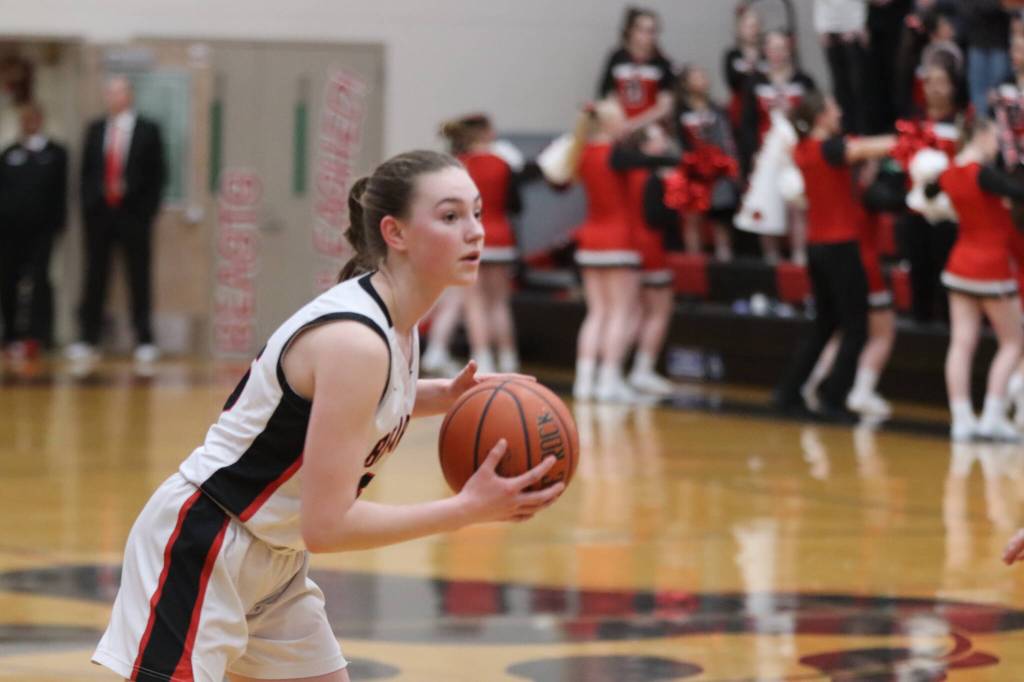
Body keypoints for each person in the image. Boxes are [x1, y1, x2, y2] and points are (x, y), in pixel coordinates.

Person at [91, 150, 565, 682]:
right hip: (204, 545)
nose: (476, 232)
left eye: (477, 213)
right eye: (451, 216)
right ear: (396, 232)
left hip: (275, 560)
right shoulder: (356, 341)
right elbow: (329, 525)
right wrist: (465, 509)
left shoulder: (393, 326)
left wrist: (450, 396)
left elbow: (369, 398)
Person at [774, 93, 896, 418]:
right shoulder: (828, 148)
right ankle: (833, 398)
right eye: (834, 108)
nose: (839, 112)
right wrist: (907, 139)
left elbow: (856, 148)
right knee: (856, 326)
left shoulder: (802, 149)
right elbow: (866, 149)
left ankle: (789, 391)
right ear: (821, 117)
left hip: (816, 247)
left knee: (825, 324)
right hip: (841, 247)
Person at [933, 119, 1024, 440]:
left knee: (961, 342)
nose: (998, 146)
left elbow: (928, 192)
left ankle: (961, 419)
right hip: (991, 267)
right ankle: (992, 415)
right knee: (1014, 342)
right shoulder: (983, 173)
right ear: (982, 136)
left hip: (959, 265)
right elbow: (1019, 191)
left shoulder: (948, 172)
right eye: (995, 139)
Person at [67, 75, 166, 365]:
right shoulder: (96, 129)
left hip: (133, 215)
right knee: (95, 276)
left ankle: (144, 338)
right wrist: (89, 206)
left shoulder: (149, 130)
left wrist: (145, 210)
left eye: (118, 91)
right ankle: (88, 337)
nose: (113, 97)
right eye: (108, 92)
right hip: (100, 215)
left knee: (139, 276)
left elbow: (158, 175)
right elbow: (85, 173)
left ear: (130, 95)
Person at [568, 99, 642, 403]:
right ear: (610, 124)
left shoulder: (581, 153)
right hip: (618, 240)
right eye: (622, 119)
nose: (627, 124)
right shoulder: (618, 155)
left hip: (590, 239)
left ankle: (584, 380)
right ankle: (610, 379)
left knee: (597, 312)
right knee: (620, 312)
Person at [440, 114, 523, 374]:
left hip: (470, 234)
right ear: (486, 133)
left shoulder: (458, 166)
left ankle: (482, 358)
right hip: (500, 234)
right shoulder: (504, 163)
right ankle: (508, 357)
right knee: (499, 301)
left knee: (474, 302)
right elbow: (516, 205)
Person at [739, 30, 818, 263]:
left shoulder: (803, 80)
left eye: (782, 47)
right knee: (766, 200)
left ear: (789, 49)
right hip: (766, 151)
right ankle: (771, 257)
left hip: (795, 149)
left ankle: (800, 254)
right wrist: (752, 151)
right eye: (773, 48)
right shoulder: (755, 82)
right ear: (765, 51)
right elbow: (747, 121)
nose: (777, 53)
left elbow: (812, 114)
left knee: (797, 202)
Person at [612, 124, 680, 396]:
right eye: (656, 140)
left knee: (634, 312)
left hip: (630, 245)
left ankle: (618, 370)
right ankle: (642, 369)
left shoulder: (626, 172)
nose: (662, 145)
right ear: (642, 146)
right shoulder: (654, 175)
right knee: (658, 311)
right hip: (650, 246)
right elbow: (656, 217)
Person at [0, 102, 66, 358]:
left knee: (41, 281)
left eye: (33, 118)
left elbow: (60, 192)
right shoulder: (9, 153)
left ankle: (39, 335)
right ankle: (11, 335)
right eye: (24, 118)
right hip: (10, 231)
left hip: (43, 231)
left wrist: (58, 224)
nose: (28, 122)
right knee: (8, 281)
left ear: (40, 120)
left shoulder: (55, 153)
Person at [673, 64, 740, 261]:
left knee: (721, 218)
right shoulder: (680, 111)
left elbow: (727, 139)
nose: (702, 80)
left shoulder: (717, 108)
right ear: (685, 84)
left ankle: (724, 258)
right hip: (692, 171)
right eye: (696, 76)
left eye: (703, 75)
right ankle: (695, 262)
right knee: (693, 218)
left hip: (718, 170)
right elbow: (679, 142)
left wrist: (730, 165)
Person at [596, 6, 674, 133]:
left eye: (651, 31)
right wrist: (620, 121)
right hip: (619, 121)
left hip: (648, 124)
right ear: (631, 30)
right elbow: (609, 93)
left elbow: (664, 106)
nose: (646, 35)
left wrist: (634, 125)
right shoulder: (617, 57)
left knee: (656, 141)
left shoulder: (662, 63)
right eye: (641, 29)